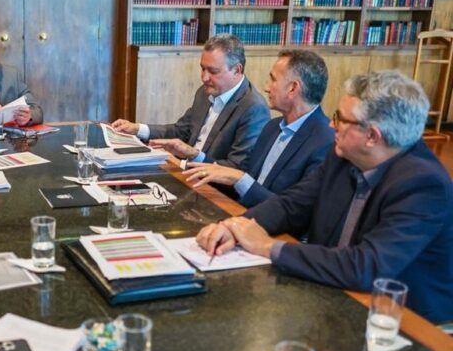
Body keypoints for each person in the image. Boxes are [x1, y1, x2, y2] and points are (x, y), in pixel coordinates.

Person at [197, 71, 453, 324]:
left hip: (401, 322)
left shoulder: (423, 185)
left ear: (372, 136)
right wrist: (235, 227)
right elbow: (292, 204)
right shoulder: (343, 154)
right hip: (331, 291)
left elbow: (365, 267)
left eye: (340, 119)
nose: (332, 125)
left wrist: (267, 246)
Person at [184, 50, 334, 207]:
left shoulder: (325, 142)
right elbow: (241, 183)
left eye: (273, 79)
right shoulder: (272, 127)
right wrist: (196, 157)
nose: (266, 87)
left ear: (293, 88)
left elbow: (296, 210)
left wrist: (240, 179)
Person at [111, 33, 269, 170]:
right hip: (183, 169)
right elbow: (181, 132)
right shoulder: (204, 92)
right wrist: (138, 129)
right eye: (203, 68)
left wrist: (193, 157)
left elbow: (236, 169)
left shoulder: (253, 108)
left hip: (212, 185)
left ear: (237, 70)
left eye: (213, 71)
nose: (204, 77)